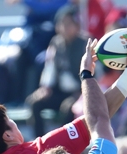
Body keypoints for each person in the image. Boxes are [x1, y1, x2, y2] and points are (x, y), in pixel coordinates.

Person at [27, 5, 86, 135]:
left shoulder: (85, 44)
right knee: (35, 102)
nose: (65, 27)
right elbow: (50, 67)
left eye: (69, 24)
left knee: (68, 108)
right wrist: (45, 87)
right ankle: (40, 140)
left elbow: (93, 73)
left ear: (77, 25)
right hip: (59, 90)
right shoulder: (56, 43)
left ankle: (64, 142)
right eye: (62, 23)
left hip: (79, 92)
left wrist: (82, 91)